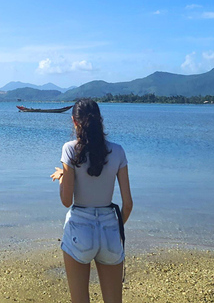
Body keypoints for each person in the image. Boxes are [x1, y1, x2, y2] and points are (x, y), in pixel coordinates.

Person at [51, 98, 133, 303]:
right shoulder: (118, 151)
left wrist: (63, 177)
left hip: (80, 227)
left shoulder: (70, 149)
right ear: (99, 120)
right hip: (110, 228)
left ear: (74, 122)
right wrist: (114, 226)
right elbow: (128, 203)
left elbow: (66, 200)